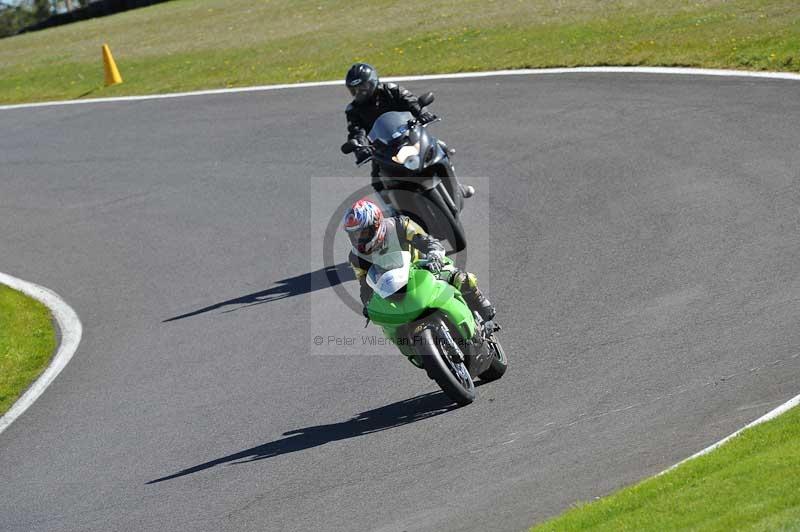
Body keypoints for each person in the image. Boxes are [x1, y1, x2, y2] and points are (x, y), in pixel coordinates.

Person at [342, 198, 494, 321]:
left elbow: (426, 240)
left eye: (363, 233)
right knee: (386, 320)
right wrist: (367, 304)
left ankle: (479, 300)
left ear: (376, 225)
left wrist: (434, 254)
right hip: (390, 286)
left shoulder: (400, 225)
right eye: (354, 235)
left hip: (423, 267)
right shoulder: (355, 257)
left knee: (457, 276)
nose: (358, 238)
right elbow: (364, 283)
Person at [344, 63, 474, 198]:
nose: (359, 92)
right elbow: (356, 131)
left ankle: (457, 186)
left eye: (362, 87)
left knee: (440, 146)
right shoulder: (353, 110)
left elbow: (412, 102)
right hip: (382, 147)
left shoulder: (391, 90)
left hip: (409, 135)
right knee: (377, 181)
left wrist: (422, 113)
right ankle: (393, 211)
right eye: (354, 89)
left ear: (373, 82)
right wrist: (360, 149)